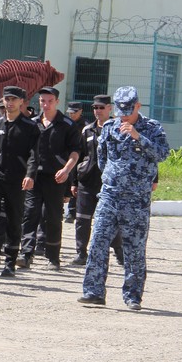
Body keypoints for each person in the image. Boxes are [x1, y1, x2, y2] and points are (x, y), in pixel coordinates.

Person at [79, 86, 169, 310]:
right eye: (121, 110)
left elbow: (163, 154)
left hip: (136, 199)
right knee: (98, 241)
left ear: (138, 106)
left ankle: (132, 296)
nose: (124, 114)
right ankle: (93, 292)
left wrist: (139, 137)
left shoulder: (152, 128)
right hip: (110, 195)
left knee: (134, 249)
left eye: (129, 110)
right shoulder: (109, 127)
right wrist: (113, 178)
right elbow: (102, 159)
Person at [0, 86, 40, 277]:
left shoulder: (30, 127)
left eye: (14, 99)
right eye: (7, 99)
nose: (10, 103)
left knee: (14, 219)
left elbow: (34, 155)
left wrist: (30, 175)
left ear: (22, 102)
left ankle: (10, 261)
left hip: (17, 179)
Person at [18, 86, 81, 271]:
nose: (45, 105)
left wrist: (67, 170)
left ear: (57, 102)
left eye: (49, 101)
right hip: (34, 177)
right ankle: (26, 254)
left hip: (56, 178)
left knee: (53, 217)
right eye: (42, 101)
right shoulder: (32, 123)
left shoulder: (67, 125)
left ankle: (53, 256)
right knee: (30, 215)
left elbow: (75, 152)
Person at [72, 94, 123, 266]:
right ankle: (81, 253)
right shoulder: (87, 130)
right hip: (87, 181)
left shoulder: (118, 129)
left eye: (102, 107)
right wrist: (74, 182)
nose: (98, 111)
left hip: (109, 183)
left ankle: (119, 252)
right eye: (95, 108)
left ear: (110, 108)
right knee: (82, 219)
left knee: (112, 220)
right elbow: (78, 156)